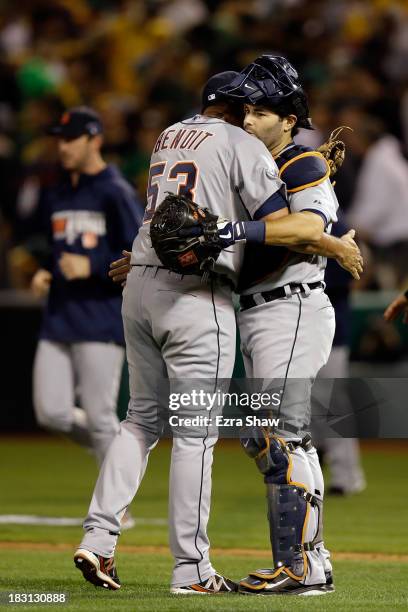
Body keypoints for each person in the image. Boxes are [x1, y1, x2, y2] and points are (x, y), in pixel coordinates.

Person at [73, 71, 291, 594]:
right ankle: (192, 569)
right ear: (240, 107)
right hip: (197, 293)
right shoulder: (240, 141)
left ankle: (99, 539)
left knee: (140, 420)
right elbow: (278, 220)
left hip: (140, 283)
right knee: (195, 433)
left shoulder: (168, 135)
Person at [213, 55, 357, 595]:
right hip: (261, 312)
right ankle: (312, 564)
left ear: (289, 120)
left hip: (291, 305)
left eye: (262, 110)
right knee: (289, 441)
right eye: (246, 108)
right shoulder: (250, 164)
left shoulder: (301, 163)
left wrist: (226, 230)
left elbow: (307, 225)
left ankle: (296, 567)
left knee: (270, 433)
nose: (249, 120)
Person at [31, 107, 143, 480]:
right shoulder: (59, 190)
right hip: (59, 315)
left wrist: (92, 267)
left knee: (99, 415)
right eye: (59, 139)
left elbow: (139, 255)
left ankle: (117, 499)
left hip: (101, 317)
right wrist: (46, 270)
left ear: (94, 139)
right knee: (52, 412)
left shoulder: (115, 191)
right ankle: (118, 450)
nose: (62, 147)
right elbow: (55, 247)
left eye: (70, 139)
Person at [314, 214, 366, 496]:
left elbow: (347, 275)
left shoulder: (339, 226)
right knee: (311, 406)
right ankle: (316, 463)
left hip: (334, 334)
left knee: (335, 405)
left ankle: (348, 476)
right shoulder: (300, 219)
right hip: (308, 333)